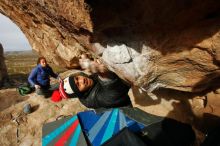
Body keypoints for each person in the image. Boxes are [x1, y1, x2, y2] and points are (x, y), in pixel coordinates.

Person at [62, 55, 132, 108]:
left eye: (77, 78)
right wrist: (103, 74)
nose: (82, 80)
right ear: (79, 93)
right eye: (78, 85)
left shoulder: (88, 84)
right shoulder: (95, 99)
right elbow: (114, 93)